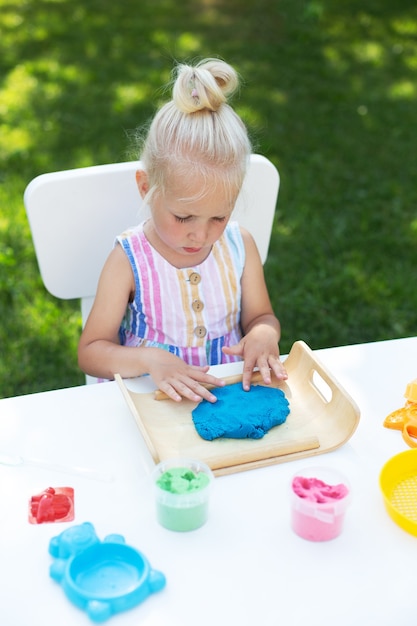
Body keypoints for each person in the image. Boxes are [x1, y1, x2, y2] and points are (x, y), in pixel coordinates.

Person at [78, 58, 287, 403]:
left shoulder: (239, 245)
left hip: (228, 395)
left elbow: (261, 316)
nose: (200, 235)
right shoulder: (129, 259)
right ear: (146, 188)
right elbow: (91, 351)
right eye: (184, 217)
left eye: (218, 218)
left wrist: (265, 333)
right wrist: (147, 360)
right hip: (151, 404)